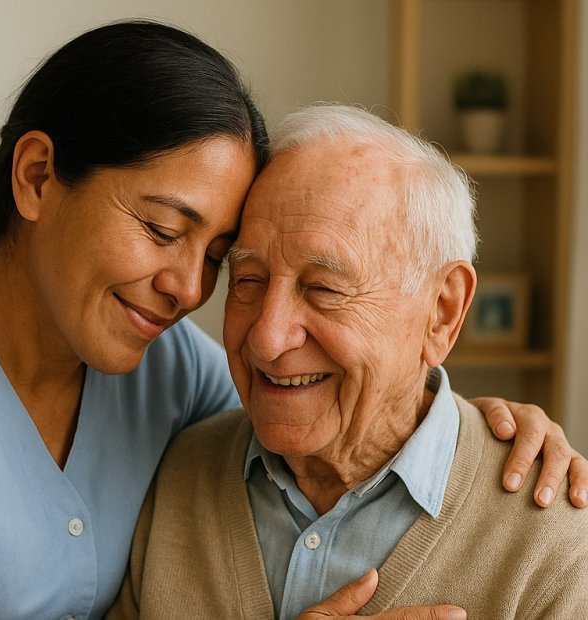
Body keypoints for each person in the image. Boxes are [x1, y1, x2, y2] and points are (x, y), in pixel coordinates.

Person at [0, 21, 582, 620]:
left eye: (214, 256)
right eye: (165, 231)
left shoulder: (170, 373)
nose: (186, 288)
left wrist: (484, 429)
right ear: (36, 179)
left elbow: (338, 397)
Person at [108, 104, 588, 619]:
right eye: (248, 280)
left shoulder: (557, 544)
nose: (267, 339)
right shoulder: (178, 477)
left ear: (442, 313)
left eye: (324, 288)